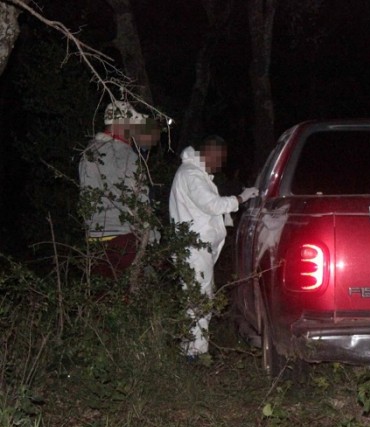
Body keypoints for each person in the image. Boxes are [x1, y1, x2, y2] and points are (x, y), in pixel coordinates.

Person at [169, 135, 258, 358]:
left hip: (195, 248)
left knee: (197, 298)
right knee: (199, 300)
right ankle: (196, 354)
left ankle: (191, 349)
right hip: (193, 249)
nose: (221, 165)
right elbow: (212, 205)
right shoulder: (192, 175)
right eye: (220, 159)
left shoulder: (195, 175)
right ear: (210, 153)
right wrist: (240, 198)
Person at [79, 101, 161, 278]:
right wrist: (152, 238)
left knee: (105, 297)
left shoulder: (88, 152)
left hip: (95, 237)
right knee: (139, 294)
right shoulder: (126, 155)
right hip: (124, 238)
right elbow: (139, 199)